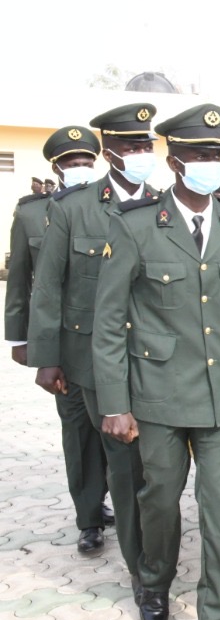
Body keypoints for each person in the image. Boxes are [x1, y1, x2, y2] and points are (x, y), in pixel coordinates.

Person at [93, 103, 220, 620]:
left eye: (216, 155)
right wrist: (115, 404)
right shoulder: (136, 226)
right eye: (200, 155)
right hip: (158, 395)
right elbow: (108, 322)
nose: (211, 164)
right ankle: (155, 582)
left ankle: (218, 619)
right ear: (176, 162)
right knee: (159, 499)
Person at [29, 105, 160, 592]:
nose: (141, 153)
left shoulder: (164, 204)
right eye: (131, 145)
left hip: (152, 359)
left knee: (153, 463)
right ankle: (140, 564)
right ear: (110, 152)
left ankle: (153, 539)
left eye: (146, 145)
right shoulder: (74, 208)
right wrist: (47, 357)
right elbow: (49, 287)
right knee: (121, 462)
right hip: (90, 359)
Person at [8, 126, 111, 554]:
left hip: (112, 342)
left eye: (87, 161)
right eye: (72, 163)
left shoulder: (113, 207)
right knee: (79, 432)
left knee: (117, 429)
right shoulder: (32, 214)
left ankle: (112, 498)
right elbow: (21, 280)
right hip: (64, 345)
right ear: (56, 168)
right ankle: (89, 518)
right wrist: (21, 340)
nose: (80, 168)